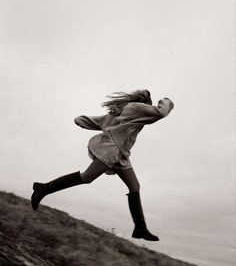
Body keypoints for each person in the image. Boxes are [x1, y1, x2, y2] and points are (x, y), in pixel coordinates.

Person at [31, 89, 174, 241]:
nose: (148, 112)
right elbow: (161, 112)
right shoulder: (135, 108)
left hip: (121, 155)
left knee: (134, 186)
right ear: (144, 103)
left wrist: (81, 120)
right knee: (86, 177)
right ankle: (43, 188)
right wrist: (167, 100)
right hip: (111, 148)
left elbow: (99, 121)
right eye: (148, 108)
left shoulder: (121, 114)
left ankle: (140, 228)